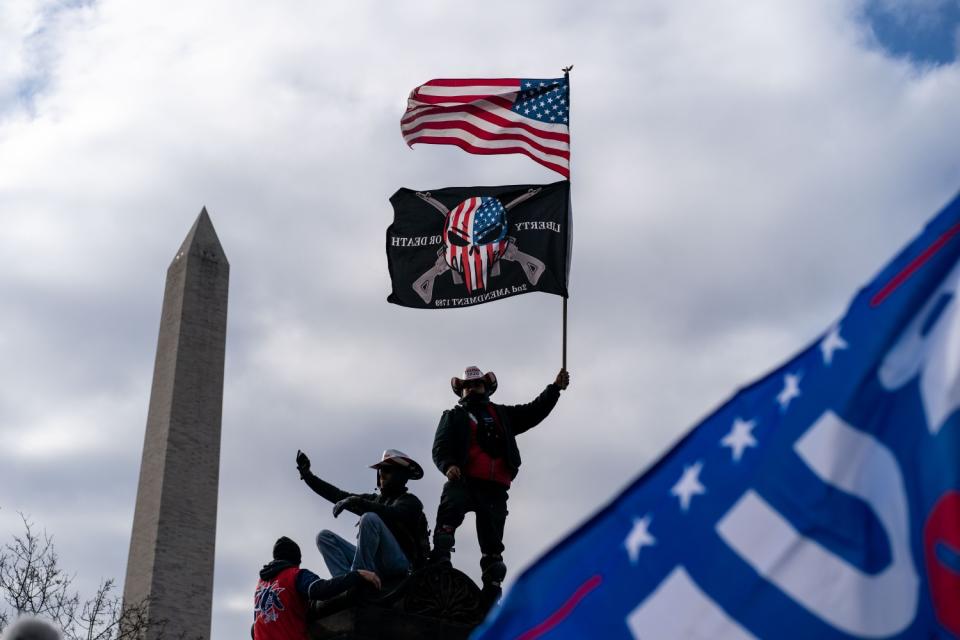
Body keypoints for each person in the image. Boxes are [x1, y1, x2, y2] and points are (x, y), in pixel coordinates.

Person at [431, 365, 570, 595]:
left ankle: (491, 592)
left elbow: (533, 411)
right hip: (463, 482)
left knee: (493, 549)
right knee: (448, 519)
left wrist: (554, 388)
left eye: (477, 384)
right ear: (461, 391)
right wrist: (448, 466)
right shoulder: (453, 416)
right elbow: (440, 449)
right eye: (468, 386)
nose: (473, 388)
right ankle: (440, 566)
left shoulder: (504, 415)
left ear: (486, 387)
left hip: (495, 491)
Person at [296, 449, 430, 582]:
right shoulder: (375, 500)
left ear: (400, 475)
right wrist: (308, 476)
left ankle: (356, 578)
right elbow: (337, 495)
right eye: (380, 471)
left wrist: (359, 502)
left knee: (370, 518)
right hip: (377, 563)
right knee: (324, 537)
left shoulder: (411, 502)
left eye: (387, 470)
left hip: (402, 565)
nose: (382, 475)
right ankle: (344, 583)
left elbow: (393, 513)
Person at [252, 536, 380, 640]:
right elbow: (321, 589)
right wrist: (357, 575)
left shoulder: (260, 585)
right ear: (296, 559)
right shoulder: (295, 574)